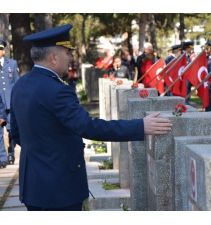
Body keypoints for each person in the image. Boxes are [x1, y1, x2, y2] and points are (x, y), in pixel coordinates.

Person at [10, 24, 172, 211]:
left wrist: (43, 151)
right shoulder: (57, 90)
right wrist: (141, 126)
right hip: (60, 188)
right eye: (67, 53)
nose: (70, 58)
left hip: (33, 185)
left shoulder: (21, 85)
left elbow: (16, 132)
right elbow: (89, 127)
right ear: (54, 57)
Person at [0, 38, 19, 165]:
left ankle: (11, 152)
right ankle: (2, 158)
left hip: (10, 103)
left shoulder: (12, 64)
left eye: (1, 49)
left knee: (11, 130)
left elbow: (16, 84)